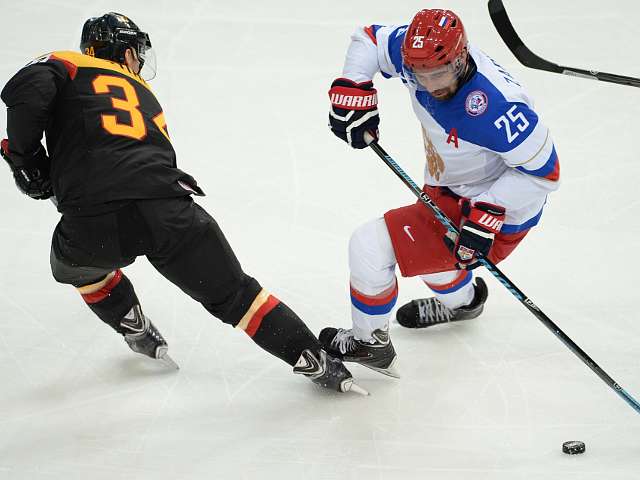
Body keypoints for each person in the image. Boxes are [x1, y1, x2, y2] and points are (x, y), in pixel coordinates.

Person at [0, 12, 366, 395]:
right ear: (126, 52)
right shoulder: (143, 93)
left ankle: (131, 323)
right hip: (169, 210)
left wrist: (26, 160)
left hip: (94, 220)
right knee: (239, 297)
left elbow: (26, 89)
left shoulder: (67, 63)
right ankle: (316, 360)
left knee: (74, 267)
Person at [321, 9, 560, 376]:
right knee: (429, 254)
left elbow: (546, 174)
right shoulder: (420, 53)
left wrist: (488, 211)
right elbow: (369, 38)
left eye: (440, 73)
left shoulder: (497, 107)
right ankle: (465, 302)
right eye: (421, 75)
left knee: (369, 246)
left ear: (460, 58)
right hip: (450, 184)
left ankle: (369, 342)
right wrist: (354, 88)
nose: (431, 84)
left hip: (491, 210)